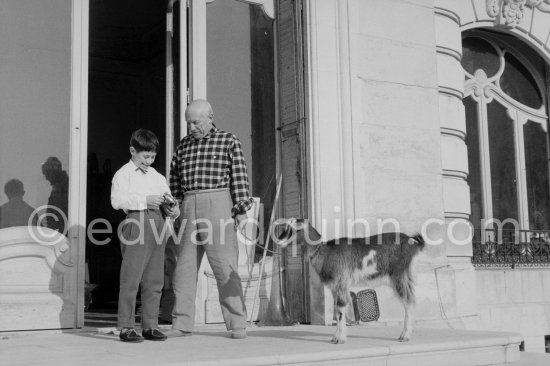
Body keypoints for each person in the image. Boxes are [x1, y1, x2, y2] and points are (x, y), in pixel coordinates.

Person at [167, 99, 252, 339]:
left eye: (195, 122)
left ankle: (237, 324)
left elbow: (239, 177)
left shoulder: (229, 140)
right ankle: (181, 323)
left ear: (210, 117)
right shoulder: (182, 146)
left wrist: (241, 209)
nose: (191, 127)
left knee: (225, 267)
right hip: (188, 205)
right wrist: (174, 207)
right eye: (188, 123)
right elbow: (174, 181)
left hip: (218, 204)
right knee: (183, 269)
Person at [111, 129, 180, 343]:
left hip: (159, 224)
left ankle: (150, 325)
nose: (149, 161)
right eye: (145, 156)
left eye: (152, 157)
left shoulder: (157, 177)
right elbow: (117, 201)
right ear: (133, 150)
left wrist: (173, 209)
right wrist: (144, 200)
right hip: (137, 221)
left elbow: (168, 198)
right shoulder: (123, 174)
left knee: (155, 279)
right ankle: (126, 326)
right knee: (131, 277)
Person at [41, 157, 69, 233]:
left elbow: (59, 214)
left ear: (51, 172)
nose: (46, 178)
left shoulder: (61, 188)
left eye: (46, 174)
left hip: (60, 233)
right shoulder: (62, 186)